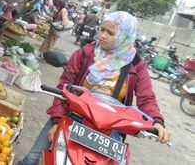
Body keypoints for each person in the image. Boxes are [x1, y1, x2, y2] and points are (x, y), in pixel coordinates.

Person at [17, 11, 172, 165]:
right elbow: (65, 85)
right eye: (102, 30)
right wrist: (57, 121)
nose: (103, 35)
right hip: (74, 117)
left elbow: (146, 97)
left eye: (110, 33)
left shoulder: (137, 65)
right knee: (31, 160)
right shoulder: (86, 54)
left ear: (125, 36)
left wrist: (157, 122)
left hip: (110, 130)